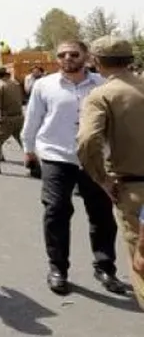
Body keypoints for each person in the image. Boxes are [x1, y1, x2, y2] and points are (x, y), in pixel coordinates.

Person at [22, 40, 125, 295]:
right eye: (62, 54)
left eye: (73, 54)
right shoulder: (44, 86)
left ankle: (105, 267)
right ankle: (58, 268)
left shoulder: (104, 85)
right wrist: (28, 149)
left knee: (101, 215)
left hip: (95, 160)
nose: (67, 58)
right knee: (56, 212)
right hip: (56, 157)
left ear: (86, 56)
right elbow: (33, 118)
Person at [77, 35, 144, 307]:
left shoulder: (102, 95)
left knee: (141, 263)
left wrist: (101, 179)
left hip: (134, 189)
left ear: (96, 61)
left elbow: (86, 141)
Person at [0, 65, 25, 174]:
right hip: (19, 116)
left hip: (6, 118)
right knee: (23, 142)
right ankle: (34, 166)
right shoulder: (15, 83)